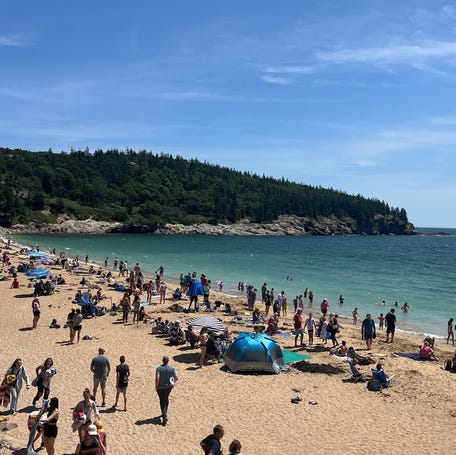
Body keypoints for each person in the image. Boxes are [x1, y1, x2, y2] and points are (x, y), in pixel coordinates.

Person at [155, 355, 178, 426]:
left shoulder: (159, 368)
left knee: (162, 401)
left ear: (162, 360)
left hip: (161, 387)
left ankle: (164, 416)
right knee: (166, 398)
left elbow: (157, 378)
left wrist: (156, 386)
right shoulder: (172, 368)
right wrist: (172, 381)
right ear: (168, 361)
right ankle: (165, 413)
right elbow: (176, 378)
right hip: (168, 387)